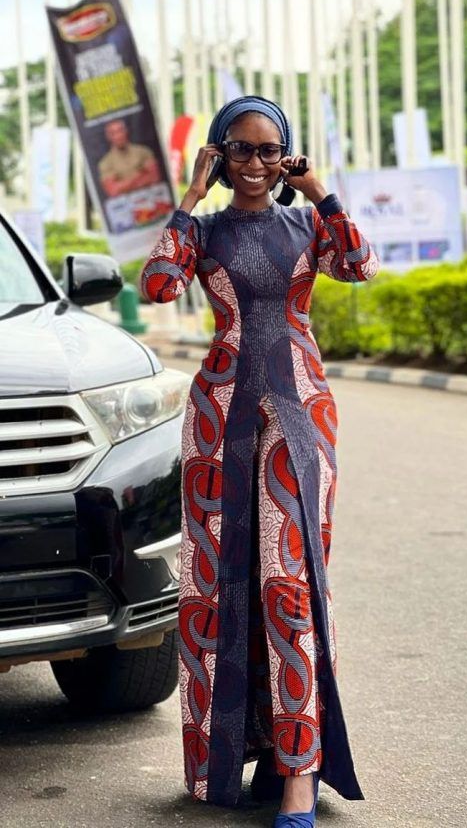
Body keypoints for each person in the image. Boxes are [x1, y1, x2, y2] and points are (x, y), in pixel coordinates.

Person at [139, 95, 379, 828]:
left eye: (268, 150)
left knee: (287, 581)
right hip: (218, 418)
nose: (254, 163)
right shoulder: (205, 231)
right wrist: (189, 196)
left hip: (300, 412)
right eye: (238, 149)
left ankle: (299, 772)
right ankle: (227, 760)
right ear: (218, 154)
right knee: (217, 586)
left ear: (286, 156)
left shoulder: (307, 226)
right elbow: (157, 285)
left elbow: (359, 265)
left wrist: (320, 191)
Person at [98, 119, 160, 197]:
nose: (118, 136)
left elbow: (155, 177)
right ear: (108, 137)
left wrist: (124, 184)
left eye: (120, 130)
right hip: (126, 202)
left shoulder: (143, 151)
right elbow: (113, 191)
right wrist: (140, 174)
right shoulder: (105, 163)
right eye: (113, 133)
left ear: (126, 131)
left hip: (150, 196)